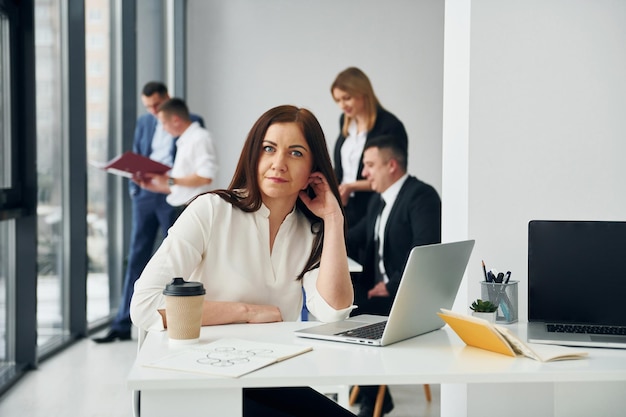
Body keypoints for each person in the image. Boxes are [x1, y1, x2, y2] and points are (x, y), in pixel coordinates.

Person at [130, 105, 357, 416]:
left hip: (271, 375)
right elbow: (143, 304)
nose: (278, 163)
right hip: (201, 377)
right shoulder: (211, 211)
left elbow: (333, 311)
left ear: (312, 172)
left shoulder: (314, 230)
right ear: (254, 156)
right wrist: (246, 312)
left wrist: (333, 218)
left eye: (295, 153)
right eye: (268, 149)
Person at [93, 82, 205, 344]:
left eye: (156, 105)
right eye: (149, 107)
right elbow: (138, 152)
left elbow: (195, 163)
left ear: (167, 98)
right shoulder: (144, 122)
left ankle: (177, 318)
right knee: (136, 257)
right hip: (145, 196)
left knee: (179, 258)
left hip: (173, 196)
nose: (154, 111)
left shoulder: (193, 122)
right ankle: (121, 324)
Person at [346, 134, 441, 417]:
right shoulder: (379, 201)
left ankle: (373, 398)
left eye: (369, 165)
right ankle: (372, 391)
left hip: (406, 296)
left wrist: (390, 286)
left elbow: (425, 253)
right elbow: (354, 237)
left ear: (391, 165)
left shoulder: (422, 196)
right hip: (379, 292)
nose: (364, 173)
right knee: (342, 304)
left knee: (355, 313)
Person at [331, 67, 408, 230]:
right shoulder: (345, 122)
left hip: (372, 205)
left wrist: (351, 186)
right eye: (338, 100)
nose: (342, 105)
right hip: (345, 206)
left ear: (362, 93)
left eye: (347, 98)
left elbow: (393, 174)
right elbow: (341, 169)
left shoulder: (390, 126)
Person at [133, 97, 218, 214]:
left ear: (176, 120)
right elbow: (180, 187)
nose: (163, 128)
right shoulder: (184, 140)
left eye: (164, 123)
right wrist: (150, 186)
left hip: (192, 209)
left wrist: (170, 181)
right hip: (181, 207)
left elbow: (205, 177)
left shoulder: (200, 138)